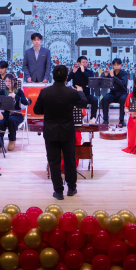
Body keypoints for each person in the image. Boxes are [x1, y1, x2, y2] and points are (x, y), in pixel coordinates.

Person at [33, 65, 88, 200]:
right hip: (67, 131)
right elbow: (83, 104)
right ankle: (71, 189)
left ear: (52, 77)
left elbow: (36, 110)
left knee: (54, 162)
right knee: (70, 161)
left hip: (50, 132)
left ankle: (58, 192)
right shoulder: (72, 93)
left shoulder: (44, 92)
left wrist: (48, 110)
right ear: (66, 78)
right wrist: (80, 91)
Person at [0, 73, 31, 151]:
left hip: (16, 114)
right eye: (6, 81)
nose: (7, 83)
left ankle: (12, 140)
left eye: (10, 81)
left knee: (11, 120)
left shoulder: (19, 91)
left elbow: (25, 102)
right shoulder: (3, 91)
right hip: (5, 113)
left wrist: (15, 96)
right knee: (0, 121)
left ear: (14, 81)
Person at [68, 56, 98, 123]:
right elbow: (68, 79)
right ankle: (72, 119)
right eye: (83, 62)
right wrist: (72, 72)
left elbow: (91, 78)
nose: (85, 64)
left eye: (86, 62)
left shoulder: (89, 72)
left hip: (86, 95)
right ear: (78, 63)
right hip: (76, 95)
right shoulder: (75, 71)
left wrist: (83, 71)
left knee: (95, 100)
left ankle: (92, 118)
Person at [101, 58, 130, 127]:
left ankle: (121, 120)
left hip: (122, 93)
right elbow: (104, 83)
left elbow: (122, 83)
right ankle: (105, 120)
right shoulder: (111, 73)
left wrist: (113, 76)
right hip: (113, 93)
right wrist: (105, 76)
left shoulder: (124, 73)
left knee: (123, 99)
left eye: (118, 65)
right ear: (112, 66)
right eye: (115, 65)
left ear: (121, 65)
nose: (116, 66)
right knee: (105, 98)